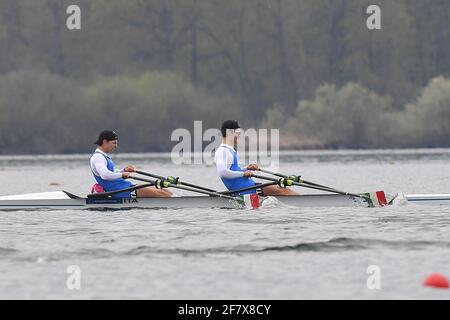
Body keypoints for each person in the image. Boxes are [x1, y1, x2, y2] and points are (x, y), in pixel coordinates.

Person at [214, 120, 298, 196]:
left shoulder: (229, 150)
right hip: (247, 190)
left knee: (282, 189)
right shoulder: (223, 151)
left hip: (249, 187)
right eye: (237, 132)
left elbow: (233, 170)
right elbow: (223, 173)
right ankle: (305, 204)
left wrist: (246, 168)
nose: (239, 135)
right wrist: (243, 173)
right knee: (284, 190)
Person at [90, 130, 172, 198]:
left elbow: (112, 172)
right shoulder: (98, 157)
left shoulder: (103, 156)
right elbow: (105, 175)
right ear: (105, 142)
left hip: (125, 187)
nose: (116, 146)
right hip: (120, 191)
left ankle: (177, 199)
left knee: (162, 190)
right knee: (162, 194)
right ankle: (178, 204)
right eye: (114, 143)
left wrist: (124, 170)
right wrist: (122, 174)